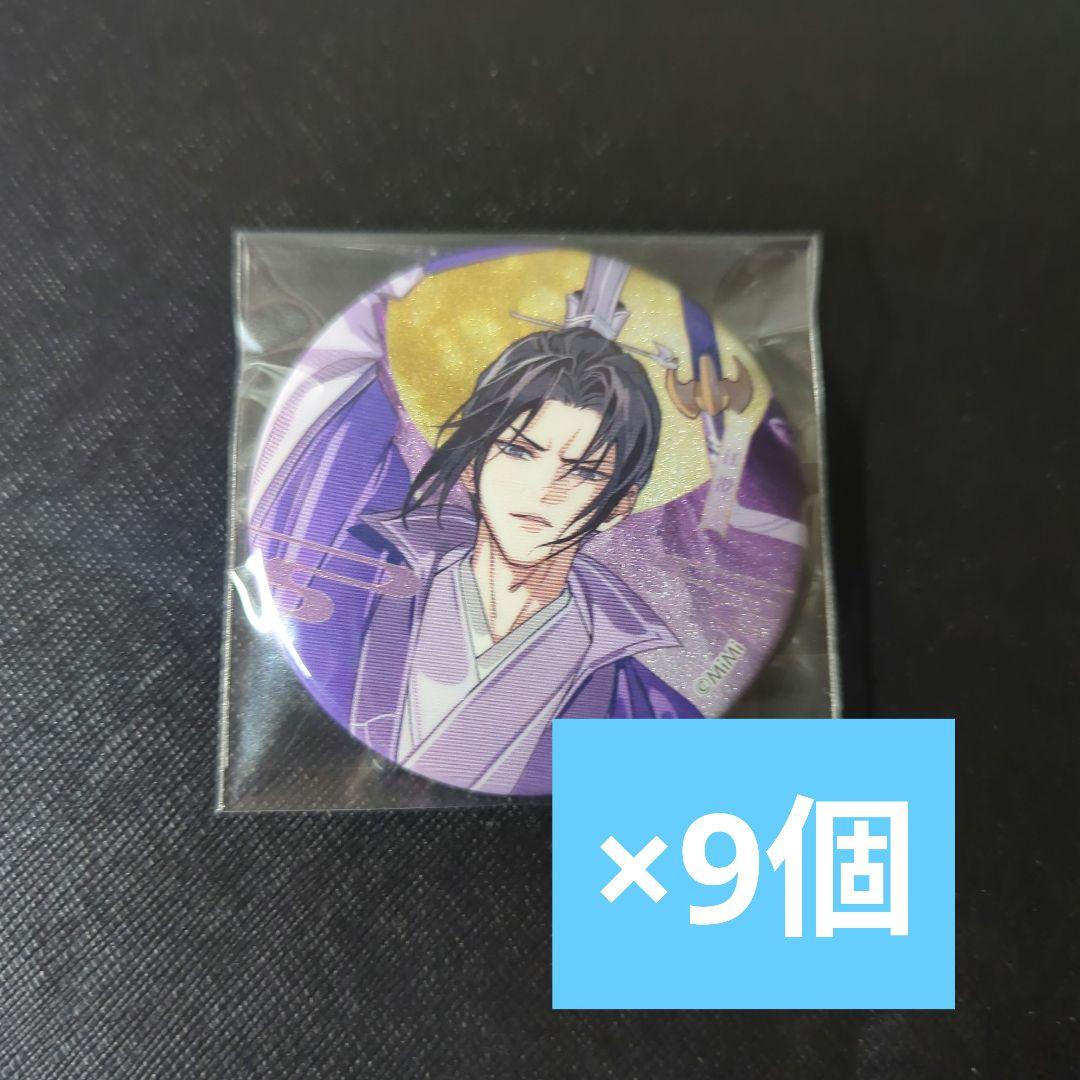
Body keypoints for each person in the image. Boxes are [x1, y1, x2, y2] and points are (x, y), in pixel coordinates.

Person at [344, 326, 700, 794]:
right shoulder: (362, 589)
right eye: (517, 450)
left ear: (619, 504)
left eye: (584, 471)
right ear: (471, 463)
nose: (541, 490)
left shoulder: (642, 706)